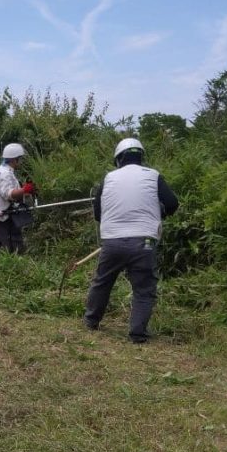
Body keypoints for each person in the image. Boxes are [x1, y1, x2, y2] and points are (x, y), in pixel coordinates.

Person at [84, 137, 179, 343]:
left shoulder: (108, 178)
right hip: (144, 241)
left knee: (102, 282)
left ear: (119, 159)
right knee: (144, 289)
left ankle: (91, 321)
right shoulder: (153, 175)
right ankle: (137, 334)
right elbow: (172, 203)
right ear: (141, 157)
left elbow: (98, 214)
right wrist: (160, 211)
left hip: (112, 241)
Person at [0, 142, 37, 261]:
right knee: (13, 245)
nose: (21, 161)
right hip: (1, 216)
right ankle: (17, 266)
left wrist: (25, 191)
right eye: (20, 159)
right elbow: (8, 194)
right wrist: (25, 189)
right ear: (14, 160)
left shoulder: (6, 171)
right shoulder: (4, 174)